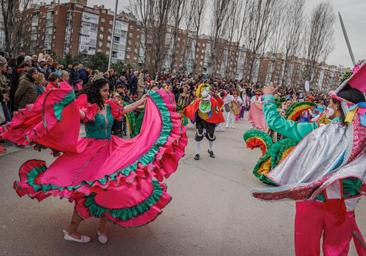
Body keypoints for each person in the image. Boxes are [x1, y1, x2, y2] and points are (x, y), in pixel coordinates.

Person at [4, 75, 187, 244]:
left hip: (111, 149)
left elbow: (124, 110)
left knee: (112, 186)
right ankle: (71, 231)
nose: (108, 93)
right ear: (96, 91)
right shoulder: (88, 107)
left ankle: (102, 228)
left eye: (109, 90)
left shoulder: (110, 106)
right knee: (86, 189)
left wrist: (142, 100)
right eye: (105, 90)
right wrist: (67, 103)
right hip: (90, 152)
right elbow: (78, 114)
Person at [252, 64, 366, 256]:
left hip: (311, 203)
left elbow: (275, 123)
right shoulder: (362, 141)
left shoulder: (315, 131)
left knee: (306, 251)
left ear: (340, 105)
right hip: (345, 208)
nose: (328, 106)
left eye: (331, 102)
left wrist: (269, 97)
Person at [184, 84, 224, 160]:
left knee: (211, 136)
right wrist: (185, 111)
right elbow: (190, 107)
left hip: (210, 121)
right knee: (199, 135)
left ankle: (210, 149)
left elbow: (220, 105)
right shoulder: (198, 100)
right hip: (200, 120)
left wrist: (216, 96)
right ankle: (197, 153)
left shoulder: (213, 100)